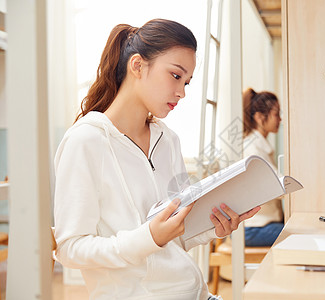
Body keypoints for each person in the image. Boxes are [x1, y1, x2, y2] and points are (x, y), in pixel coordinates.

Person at [53, 19, 260, 300]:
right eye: (176, 76)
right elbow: (70, 249)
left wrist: (213, 227)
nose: (182, 92)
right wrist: (149, 237)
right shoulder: (85, 142)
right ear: (137, 66)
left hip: (196, 294)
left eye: (186, 82)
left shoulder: (169, 140)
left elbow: (174, 240)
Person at [242, 88, 284, 247]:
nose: (280, 119)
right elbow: (277, 186)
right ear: (259, 117)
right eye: (276, 114)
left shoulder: (258, 145)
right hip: (254, 229)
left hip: (262, 225)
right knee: (300, 233)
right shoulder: (252, 148)